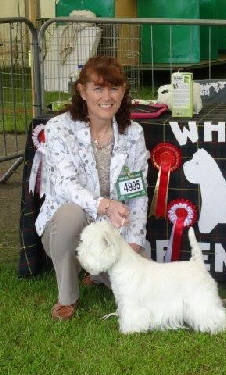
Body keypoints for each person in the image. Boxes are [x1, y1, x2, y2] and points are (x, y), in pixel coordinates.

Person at [35, 56, 149, 321]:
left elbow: (138, 195)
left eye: (114, 88)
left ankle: (97, 271)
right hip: (68, 230)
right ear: (82, 91)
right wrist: (106, 205)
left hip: (111, 233)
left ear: (123, 92)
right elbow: (65, 185)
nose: (106, 97)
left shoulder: (134, 133)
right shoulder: (59, 128)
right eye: (98, 88)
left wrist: (133, 243)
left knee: (144, 281)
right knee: (71, 213)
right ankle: (67, 297)